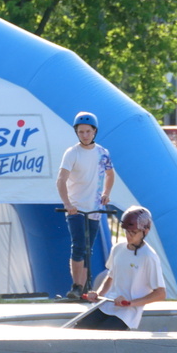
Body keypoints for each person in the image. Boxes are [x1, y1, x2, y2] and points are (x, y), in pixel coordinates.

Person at [56, 112, 115, 299]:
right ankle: (76, 285)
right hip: (76, 207)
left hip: (94, 208)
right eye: (81, 132)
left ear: (94, 132)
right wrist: (67, 204)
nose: (84, 135)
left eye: (88, 132)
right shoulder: (72, 153)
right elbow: (61, 180)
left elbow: (110, 175)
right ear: (76, 132)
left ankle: (82, 288)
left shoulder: (102, 153)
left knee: (88, 248)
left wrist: (106, 193)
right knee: (79, 245)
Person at [78, 206, 166, 330]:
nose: (129, 236)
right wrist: (98, 294)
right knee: (78, 330)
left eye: (133, 232)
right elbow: (111, 276)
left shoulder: (149, 257)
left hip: (127, 313)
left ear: (145, 231)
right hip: (107, 305)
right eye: (127, 231)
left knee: (102, 336)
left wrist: (131, 303)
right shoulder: (118, 249)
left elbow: (160, 293)